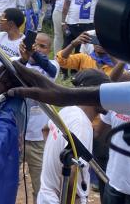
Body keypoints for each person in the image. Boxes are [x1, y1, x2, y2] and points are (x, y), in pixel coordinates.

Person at [37, 70, 109, 204]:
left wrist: (52, 162)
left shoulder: (66, 110)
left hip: (46, 194)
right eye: (105, 94)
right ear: (94, 95)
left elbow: (46, 129)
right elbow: (73, 173)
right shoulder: (81, 124)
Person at [17, 32, 58, 202]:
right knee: (8, 180)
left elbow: (51, 70)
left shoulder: (52, 66)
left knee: (40, 186)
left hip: (39, 140)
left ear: (49, 50)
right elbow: (13, 74)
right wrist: (24, 59)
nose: (38, 49)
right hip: (17, 136)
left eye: (42, 46)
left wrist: (33, 54)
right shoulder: (19, 61)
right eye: (35, 45)